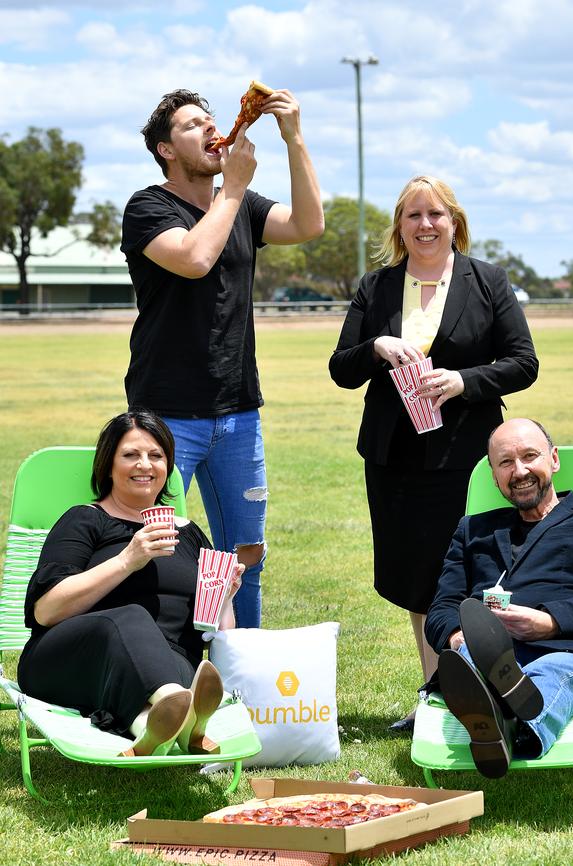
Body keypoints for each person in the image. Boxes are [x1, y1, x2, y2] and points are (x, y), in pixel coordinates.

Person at [329, 175, 538, 731]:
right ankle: (435, 694)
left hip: (466, 458)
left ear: (455, 222)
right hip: (395, 460)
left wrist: (463, 381)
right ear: (400, 226)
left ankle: (487, 687)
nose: (425, 224)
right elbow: (340, 369)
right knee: (420, 578)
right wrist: (374, 347)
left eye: (436, 214)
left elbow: (523, 362)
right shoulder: (376, 287)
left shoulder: (488, 281)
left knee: (474, 571)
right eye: (413, 215)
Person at [121, 87, 324, 629]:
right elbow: (194, 258)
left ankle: (239, 666)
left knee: (244, 556)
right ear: (166, 149)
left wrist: (293, 137)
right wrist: (233, 187)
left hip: (238, 413)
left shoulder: (240, 205)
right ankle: (161, 662)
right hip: (165, 416)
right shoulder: (148, 206)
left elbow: (308, 226)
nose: (212, 130)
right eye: (193, 125)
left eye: (213, 120)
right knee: (155, 550)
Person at [17, 411, 244, 757]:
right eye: (130, 455)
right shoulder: (85, 520)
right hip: (70, 660)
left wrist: (225, 597)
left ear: (168, 466)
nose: (145, 465)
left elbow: (214, 632)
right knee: (130, 618)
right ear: (108, 465)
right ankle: (180, 712)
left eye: (156, 456)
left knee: (180, 666)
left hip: (168, 665)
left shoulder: (191, 534)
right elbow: (46, 610)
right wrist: (127, 560)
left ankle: (153, 723)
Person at [425, 417, 573, 778]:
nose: (520, 470)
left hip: (570, 651)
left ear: (553, 459)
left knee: (552, 675)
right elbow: (442, 608)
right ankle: (502, 711)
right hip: (484, 650)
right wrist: (458, 636)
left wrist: (548, 622)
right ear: (494, 475)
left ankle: (500, 723)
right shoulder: (473, 530)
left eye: (530, 456)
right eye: (506, 463)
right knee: (469, 657)